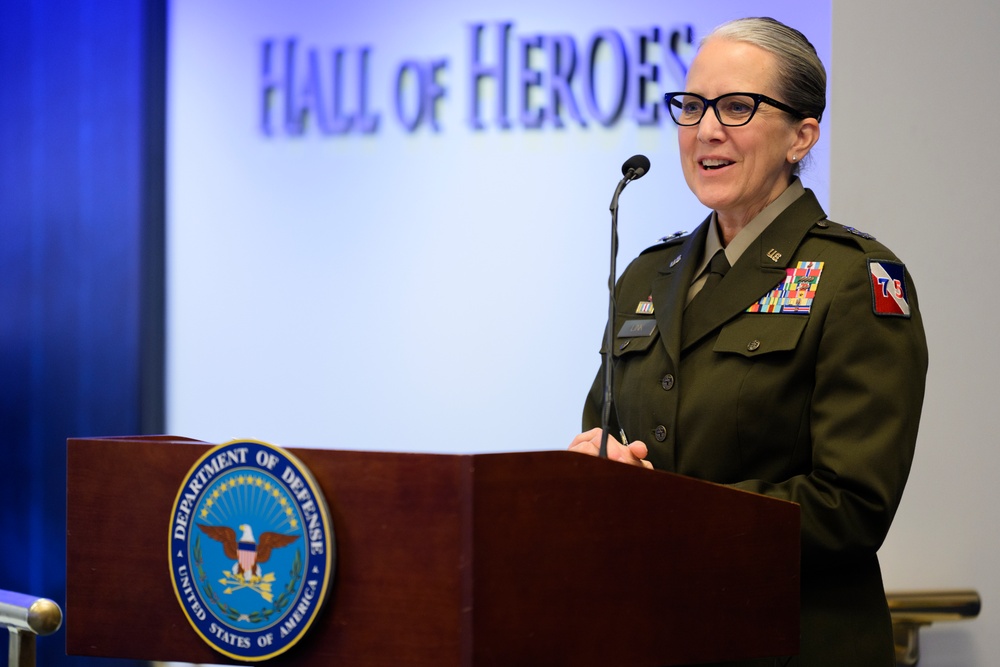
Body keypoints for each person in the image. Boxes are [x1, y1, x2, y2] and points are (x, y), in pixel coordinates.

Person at [569, 16, 928, 667]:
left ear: (802, 135)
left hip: (789, 640)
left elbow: (850, 506)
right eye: (693, 105)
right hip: (652, 635)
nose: (707, 129)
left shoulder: (857, 279)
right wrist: (592, 469)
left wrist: (673, 515)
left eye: (737, 107)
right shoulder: (647, 276)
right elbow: (606, 436)